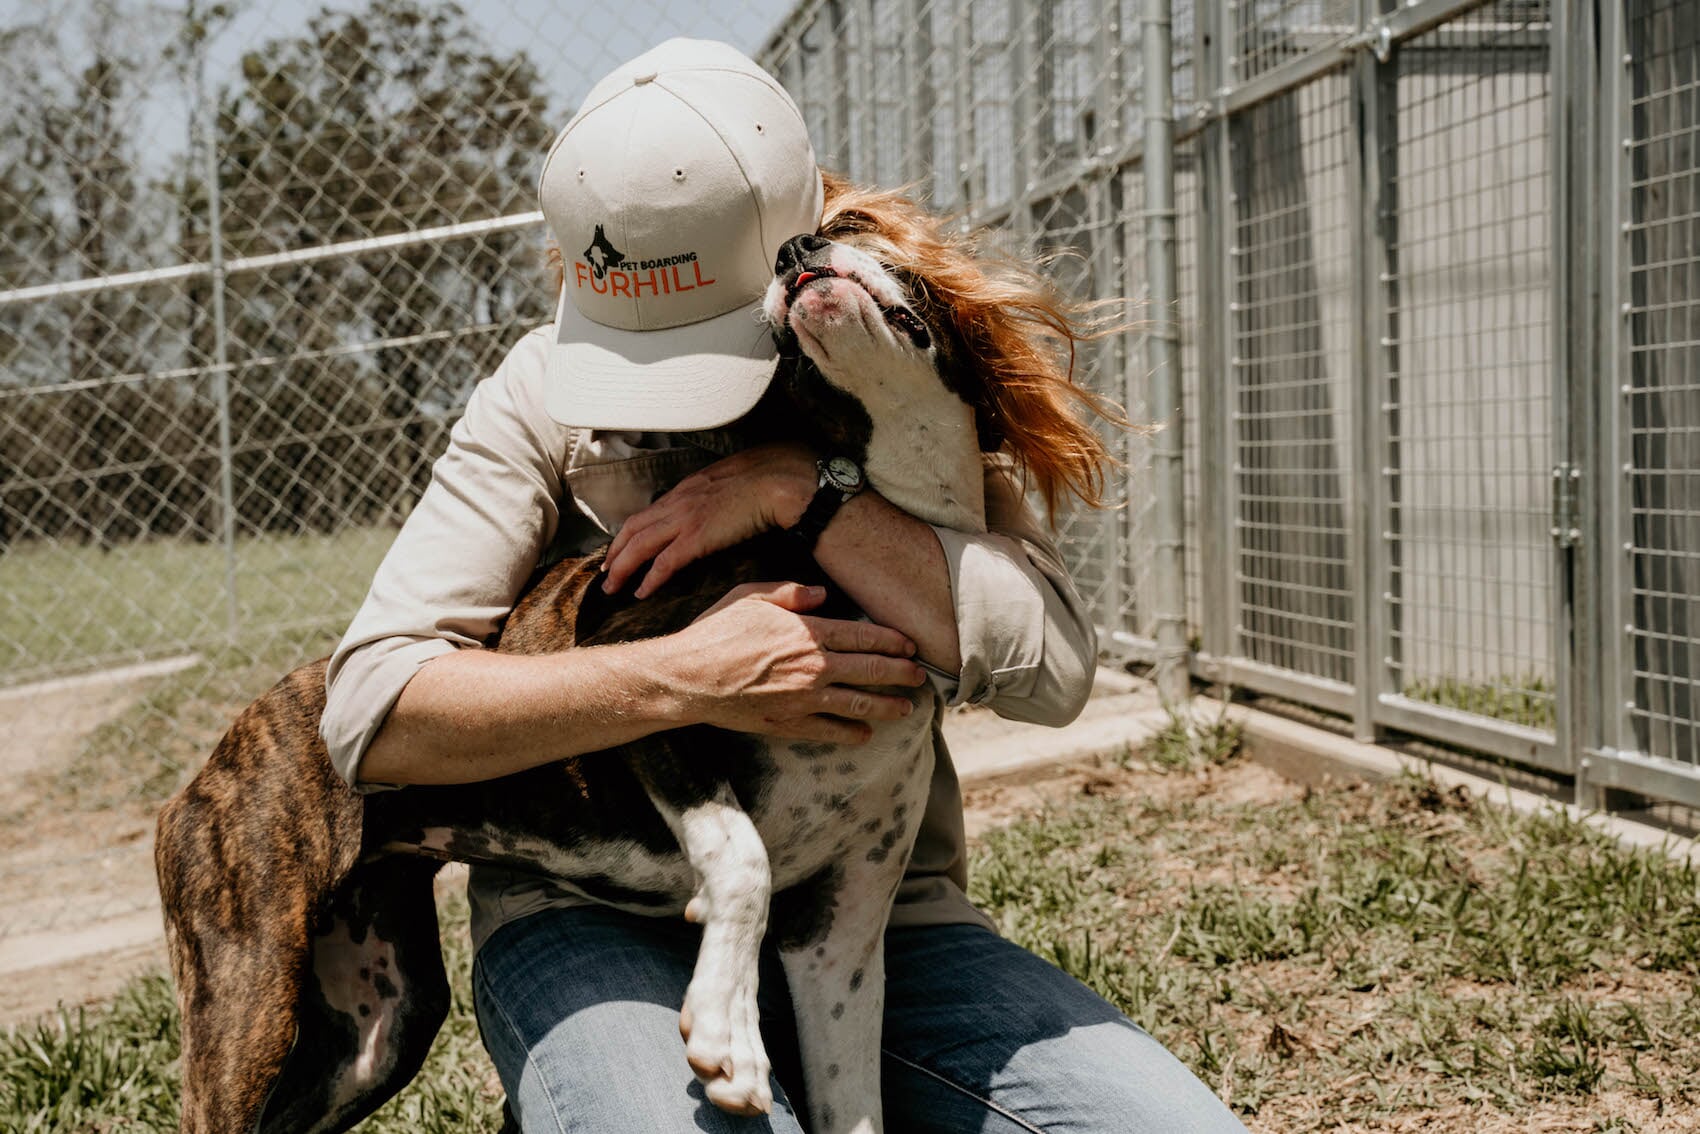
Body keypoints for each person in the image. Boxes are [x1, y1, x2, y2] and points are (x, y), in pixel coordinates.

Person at [320, 37, 1246, 1134]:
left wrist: (803, 490)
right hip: (595, 913)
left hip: (881, 921)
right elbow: (373, 711)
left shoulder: (884, 352)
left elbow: (1048, 669)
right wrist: (680, 677)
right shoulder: (535, 395)